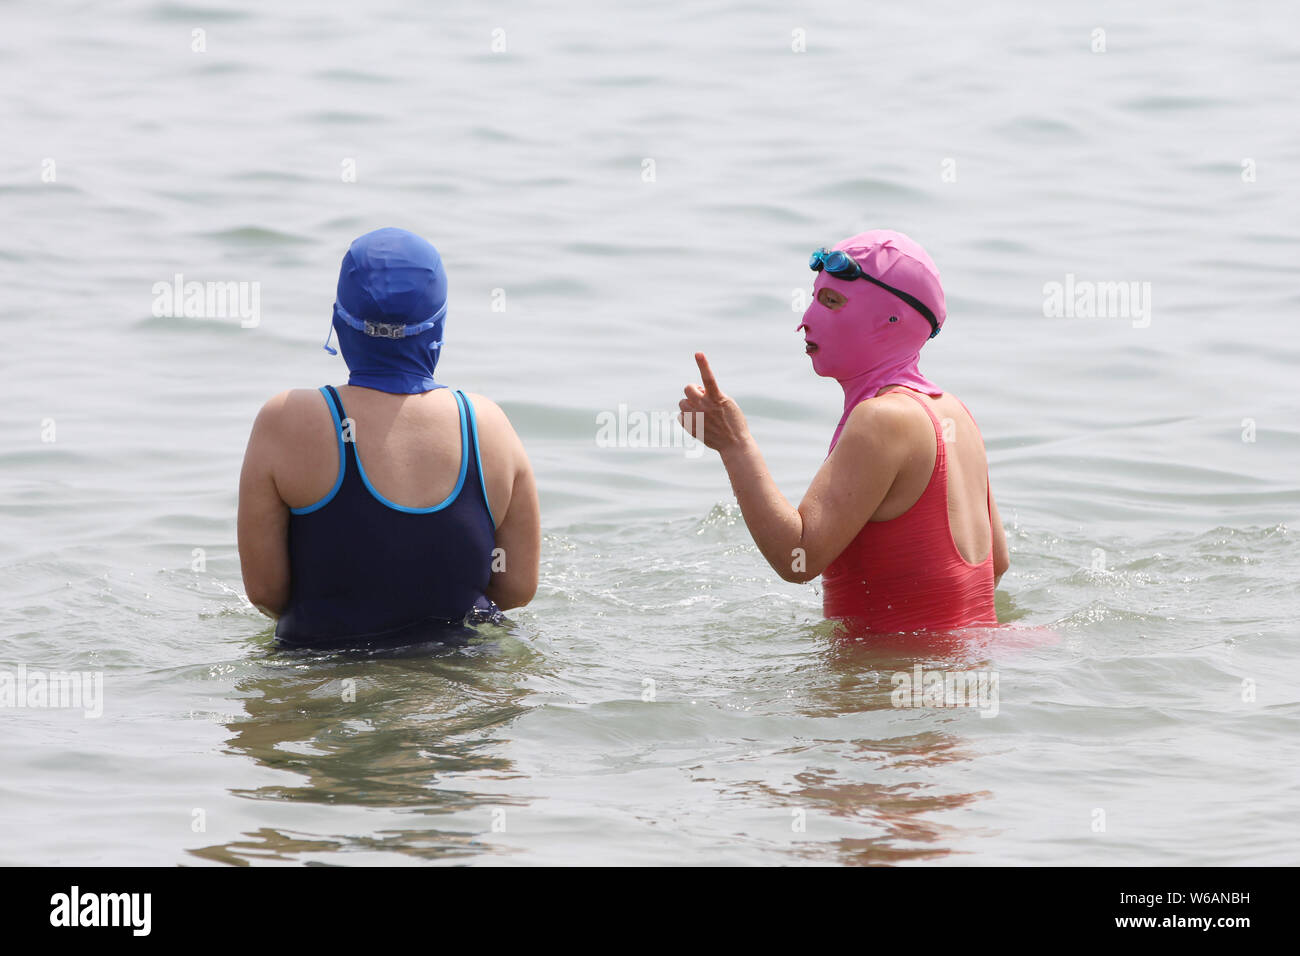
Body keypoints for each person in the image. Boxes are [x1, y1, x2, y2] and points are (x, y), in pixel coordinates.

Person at [678, 230, 1008, 632]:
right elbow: (996, 563)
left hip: (890, 684)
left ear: (891, 320)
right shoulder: (955, 413)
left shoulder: (882, 420)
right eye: (813, 299)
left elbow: (797, 558)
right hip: (961, 669)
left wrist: (734, 444)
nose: (805, 321)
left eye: (830, 302)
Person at [238, 227, 539, 647]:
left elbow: (267, 592)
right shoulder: (486, 424)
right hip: (460, 678)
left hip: (320, 670)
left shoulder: (287, 420)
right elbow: (517, 588)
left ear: (339, 321)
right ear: (438, 327)